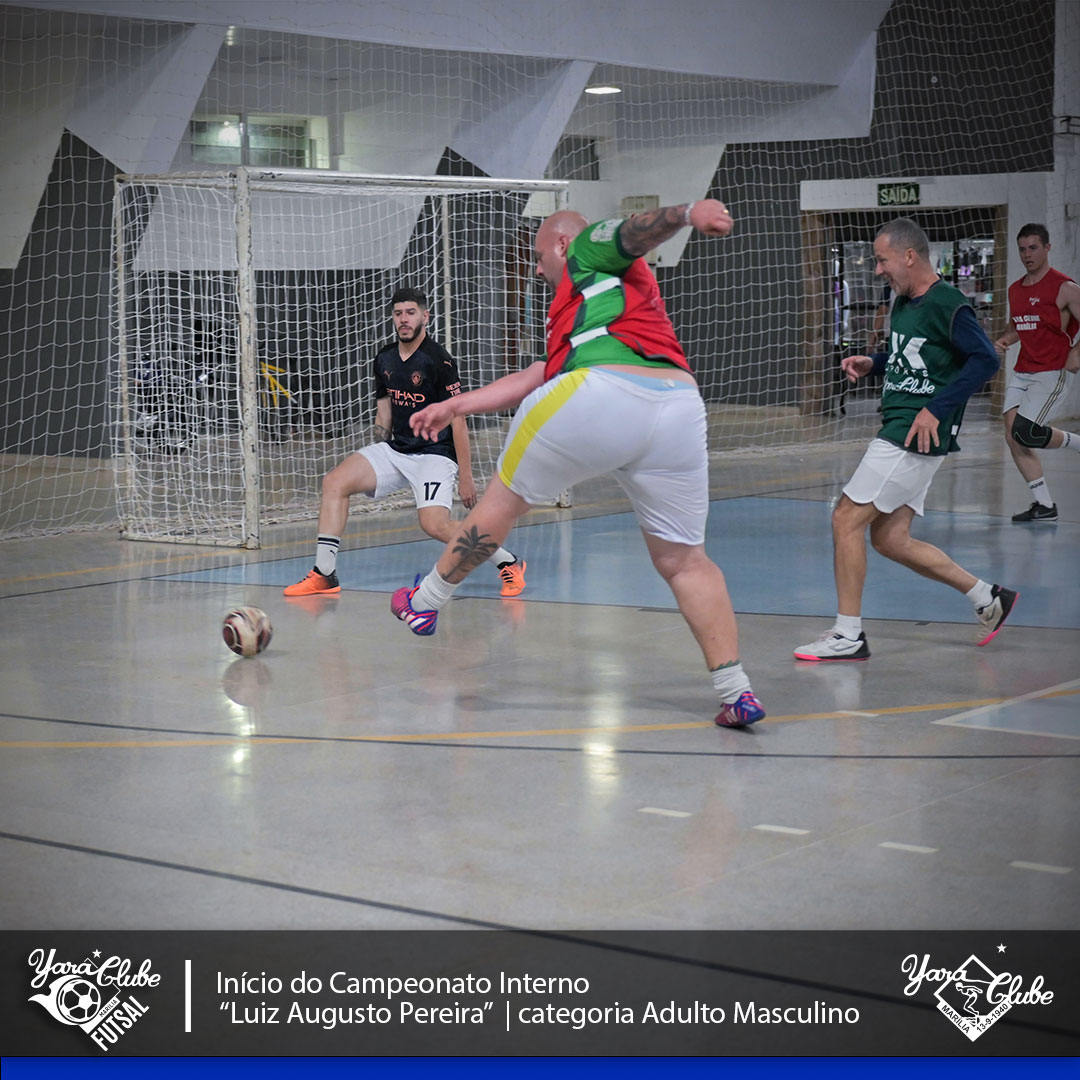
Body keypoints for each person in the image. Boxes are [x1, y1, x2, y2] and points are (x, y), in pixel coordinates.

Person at [388, 200, 765, 729]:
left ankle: (424, 601)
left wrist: (686, 213)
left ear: (562, 244)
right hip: (677, 407)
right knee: (686, 561)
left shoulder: (586, 249)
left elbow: (633, 232)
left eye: (541, 256)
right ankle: (736, 690)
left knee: (502, 501)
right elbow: (538, 372)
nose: (539, 269)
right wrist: (456, 404)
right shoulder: (585, 309)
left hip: (601, 394)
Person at [794, 217, 1018, 662]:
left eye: (882, 260)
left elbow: (983, 360)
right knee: (890, 539)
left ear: (909, 255)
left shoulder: (948, 303)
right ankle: (986, 597)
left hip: (913, 430)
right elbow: (913, 355)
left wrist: (937, 408)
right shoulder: (902, 302)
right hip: (900, 423)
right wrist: (873, 363)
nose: (878, 269)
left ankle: (848, 634)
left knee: (845, 519)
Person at [284, 287, 526, 597]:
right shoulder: (384, 357)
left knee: (435, 525)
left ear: (425, 316)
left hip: (435, 454)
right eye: (398, 314)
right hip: (397, 449)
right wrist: (374, 453)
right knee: (335, 481)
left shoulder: (439, 360)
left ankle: (509, 563)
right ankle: (325, 574)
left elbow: (458, 418)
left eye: (410, 313)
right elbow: (384, 410)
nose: (404, 319)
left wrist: (466, 477)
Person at [992, 224, 1080, 523]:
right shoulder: (1015, 289)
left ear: (1047, 248)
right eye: (1022, 249)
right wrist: (1004, 339)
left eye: (1033, 248)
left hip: (1052, 371)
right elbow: (1019, 323)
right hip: (1024, 369)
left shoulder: (1064, 287)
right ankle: (1044, 505)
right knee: (1012, 435)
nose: (1027, 254)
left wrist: (1076, 351)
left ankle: (1077, 443)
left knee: (1024, 432)